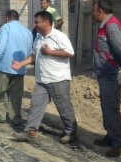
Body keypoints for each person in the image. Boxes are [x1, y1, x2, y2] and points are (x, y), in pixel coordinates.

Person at [12, 10, 77, 143]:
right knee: (36, 104)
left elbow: (70, 53)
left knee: (63, 107)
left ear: (46, 22)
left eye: (37, 22)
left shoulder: (59, 36)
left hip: (58, 79)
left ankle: (71, 132)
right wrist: (20, 64)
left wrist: (50, 52)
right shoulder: (38, 37)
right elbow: (34, 56)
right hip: (42, 80)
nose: (35, 24)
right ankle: (29, 131)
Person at [92, 0, 121, 157]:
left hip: (111, 74)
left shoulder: (111, 26)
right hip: (104, 73)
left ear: (100, 11)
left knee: (111, 109)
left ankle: (119, 144)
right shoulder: (105, 25)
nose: (93, 14)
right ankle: (111, 136)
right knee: (107, 107)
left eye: (94, 11)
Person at [0, 9, 33, 127]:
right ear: (17, 18)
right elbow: (29, 51)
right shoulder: (27, 32)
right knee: (16, 95)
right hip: (19, 68)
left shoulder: (6, 27)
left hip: (4, 66)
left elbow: (1, 44)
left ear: (7, 18)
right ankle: (15, 118)